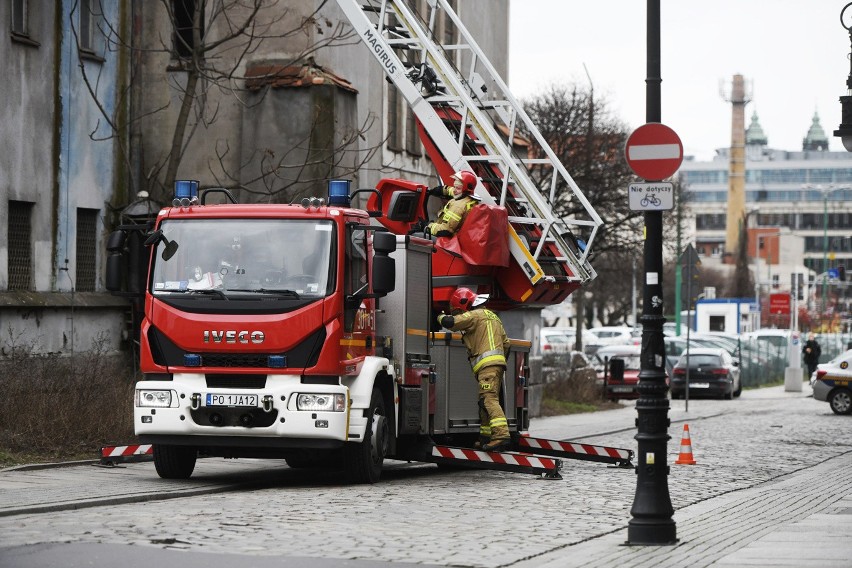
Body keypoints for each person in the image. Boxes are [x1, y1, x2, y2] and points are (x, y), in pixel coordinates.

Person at [437, 287, 512, 451]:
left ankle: (501, 435)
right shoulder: (494, 317)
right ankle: (485, 437)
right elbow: (507, 344)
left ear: (464, 305)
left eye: (458, 310)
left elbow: (451, 323)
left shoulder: (474, 315)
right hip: (496, 366)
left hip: (487, 367)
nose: (458, 313)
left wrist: (439, 315)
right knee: (484, 401)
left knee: (488, 400)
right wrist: (498, 363)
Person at [425, 170, 479, 238]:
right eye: (454, 186)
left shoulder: (457, 207)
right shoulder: (468, 198)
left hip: (447, 240)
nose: (454, 190)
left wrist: (428, 226)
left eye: (458, 188)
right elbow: (454, 191)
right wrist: (443, 190)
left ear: (466, 190)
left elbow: (445, 230)